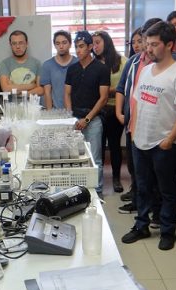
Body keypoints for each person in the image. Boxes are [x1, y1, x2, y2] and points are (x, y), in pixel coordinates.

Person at [120, 21, 176, 251]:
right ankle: (141, 225)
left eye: (153, 44)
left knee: (166, 190)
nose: (147, 49)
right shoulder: (145, 71)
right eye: (147, 44)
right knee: (142, 187)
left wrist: (170, 140)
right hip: (140, 139)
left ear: (170, 45)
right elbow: (138, 104)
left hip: (164, 143)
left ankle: (167, 230)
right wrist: (133, 132)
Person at [116, 18, 163, 213]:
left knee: (156, 173)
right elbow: (121, 88)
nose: (144, 44)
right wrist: (119, 112)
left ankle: (156, 209)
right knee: (136, 168)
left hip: (155, 126)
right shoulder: (134, 61)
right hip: (132, 122)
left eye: (149, 40)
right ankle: (138, 203)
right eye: (143, 39)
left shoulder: (166, 64)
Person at [64, 30, 110, 196]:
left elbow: (103, 98)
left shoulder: (101, 69)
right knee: (75, 157)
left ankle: (96, 192)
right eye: (76, 47)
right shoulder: (72, 69)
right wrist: (70, 117)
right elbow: (67, 93)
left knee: (95, 158)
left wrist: (87, 119)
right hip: (75, 119)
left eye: (82, 46)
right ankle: (78, 192)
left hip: (93, 119)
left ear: (91, 47)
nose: (78, 50)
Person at [92, 30, 127, 193]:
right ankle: (97, 179)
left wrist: (108, 91)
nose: (95, 46)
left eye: (98, 42)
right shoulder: (93, 63)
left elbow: (126, 87)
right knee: (98, 146)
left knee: (114, 146)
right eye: (93, 43)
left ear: (107, 42)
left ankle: (116, 178)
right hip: (98, 110)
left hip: (115, 109)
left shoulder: (122, 61)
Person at [0, 30, 43, 96]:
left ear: (27, 44)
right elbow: (6, 89)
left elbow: (40, 90)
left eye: (21, 43)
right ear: (10, 45)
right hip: (11, 105)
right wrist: (32, 85)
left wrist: (16, 88)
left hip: (32, 105)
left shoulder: (37, 63)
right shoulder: (5, 63)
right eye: (14, 43)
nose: (18, 47)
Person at [41, 30, 77, 110]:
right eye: (58, 43)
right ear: (54, 45)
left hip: (76, 111)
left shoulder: (78, 63)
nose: (61, 46)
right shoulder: (47, 65)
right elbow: (47, 92)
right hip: (56, 111)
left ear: (70, 44)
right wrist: (50, 114)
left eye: (64, 43)